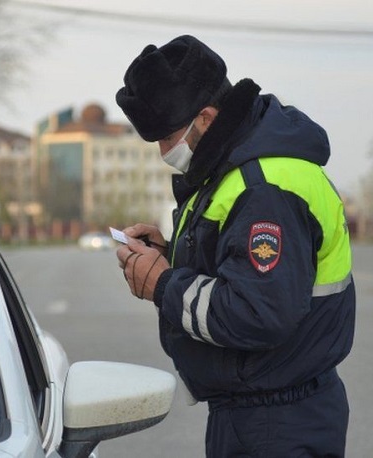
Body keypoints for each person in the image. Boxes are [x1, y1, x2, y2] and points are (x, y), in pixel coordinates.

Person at [114, 35, 356, 457]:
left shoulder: (265, 188)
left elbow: (258, 312)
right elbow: (241, 268)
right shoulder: (237, 167)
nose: (162, 152)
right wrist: (169, 256)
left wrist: (164, 284)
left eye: (167, 138)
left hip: (278, 423)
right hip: (256, 413)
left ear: (205, 117)